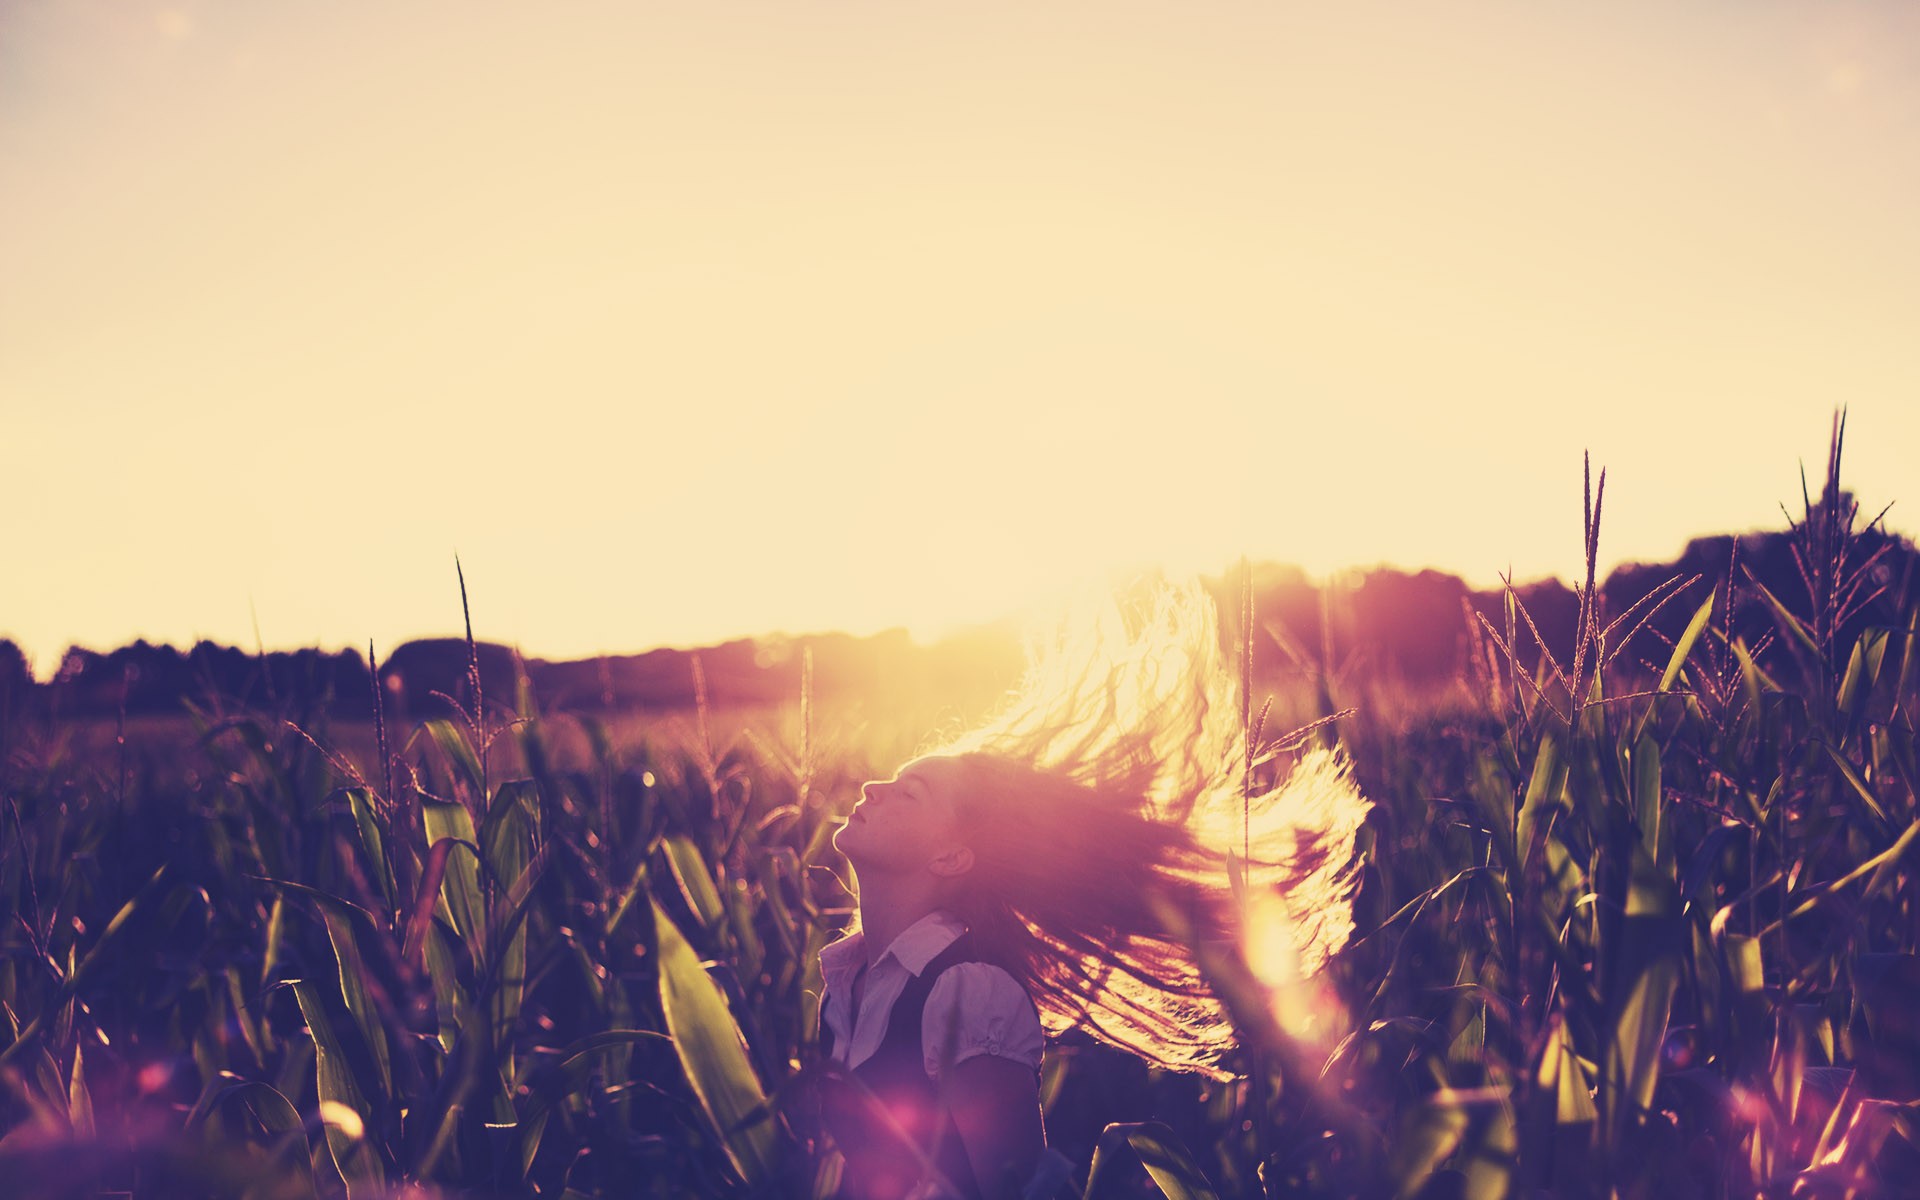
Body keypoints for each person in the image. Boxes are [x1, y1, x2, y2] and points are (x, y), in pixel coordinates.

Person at [814, 580, 1370, 1200]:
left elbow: (1018, 1189)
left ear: (952, 856)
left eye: (908, 791)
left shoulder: (966, 993)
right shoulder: (845, 984)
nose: (873, 789)